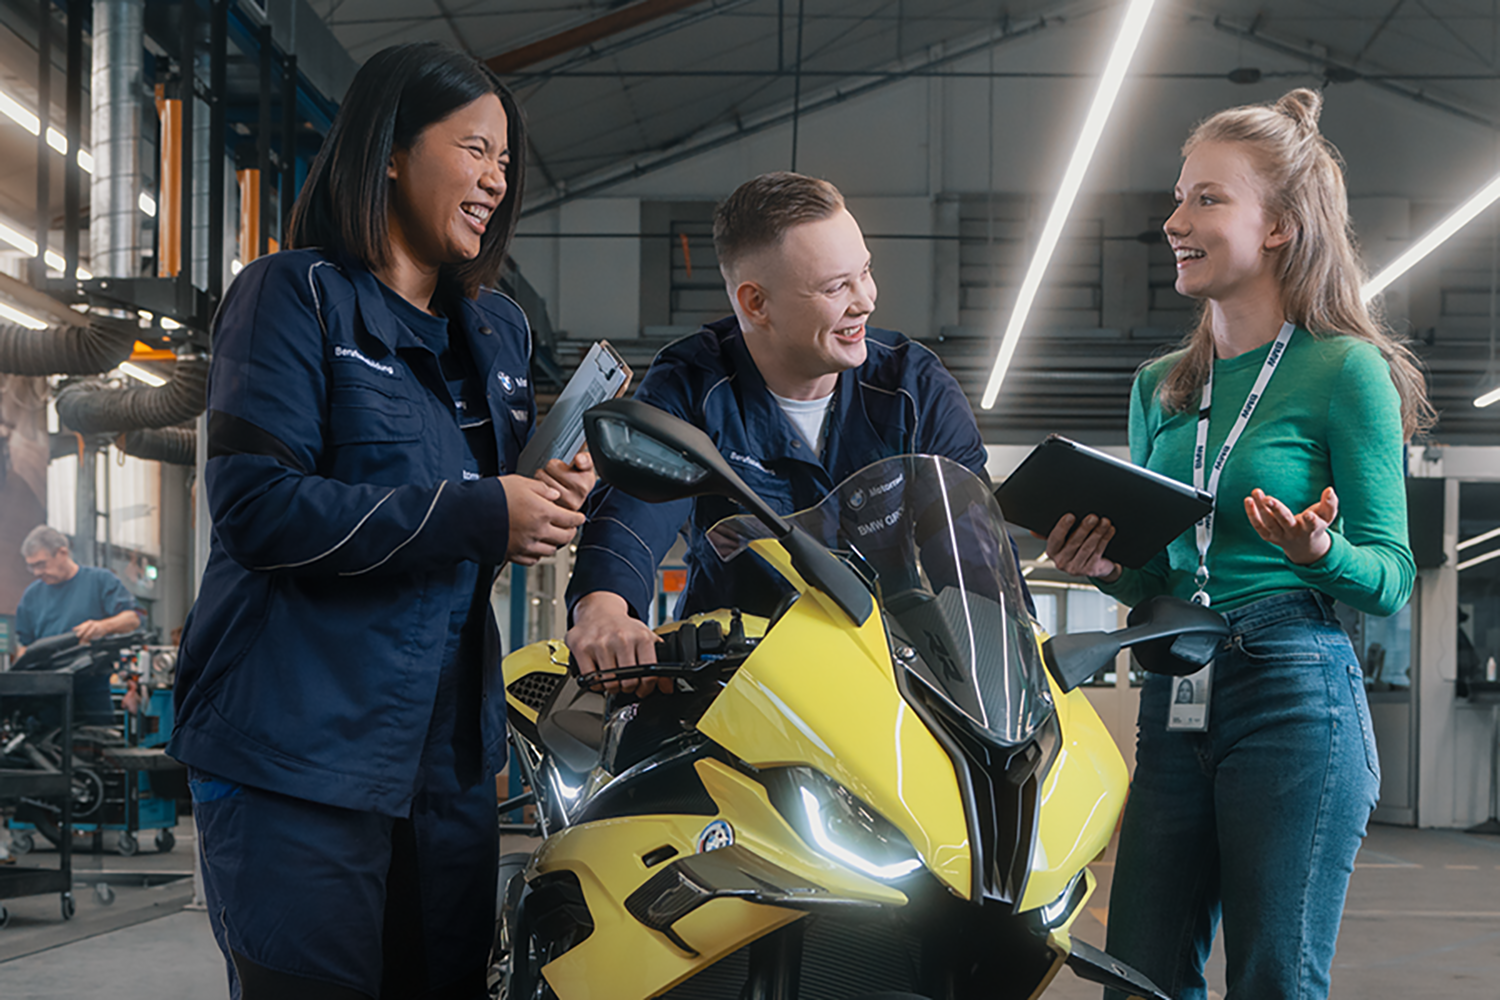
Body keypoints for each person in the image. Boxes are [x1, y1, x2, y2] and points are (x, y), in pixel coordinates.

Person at [167, 42, 591, 1000]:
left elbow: (483, 512)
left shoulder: (498, 333)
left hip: (443, 766)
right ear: (390, 151)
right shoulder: (292, 297)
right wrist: (485, 511)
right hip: (296, 753)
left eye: (507, 163)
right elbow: (257, 511)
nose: (496, 179)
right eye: (477, 149)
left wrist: (550, 494)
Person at [1045, 88, 1433, 1000]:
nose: (1174, 220)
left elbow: (1392, 576)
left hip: (1294, 690)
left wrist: (1318, 556)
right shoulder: (1159, 388)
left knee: (1273, 979)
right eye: (1179, 197)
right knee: (1137, 976)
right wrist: (1107, 563)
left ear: (1281, 228)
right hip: (1176, 683)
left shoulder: (1345, 370)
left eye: (1207, 199)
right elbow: (1157, 572)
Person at [565, 171, 1016, 694]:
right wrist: (603, 610)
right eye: (835, 287)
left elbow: (973, 556)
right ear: (756, 303)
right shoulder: (693, 384)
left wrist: (1009, 653)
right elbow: (634, 509)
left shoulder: (914, 389)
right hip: (735, 686)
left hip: (891, 683)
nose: (865, 300)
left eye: (864, 273)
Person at [15, 524, 144, 722]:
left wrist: (103, 626)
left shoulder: (100, 581)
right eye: (31, 566)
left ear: (62, 553)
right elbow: (24, 647)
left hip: (91, 690)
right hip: (45, 697)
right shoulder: (32, 596)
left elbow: (133, 618)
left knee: (98, 748)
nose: (36, 572)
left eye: (41, 564)